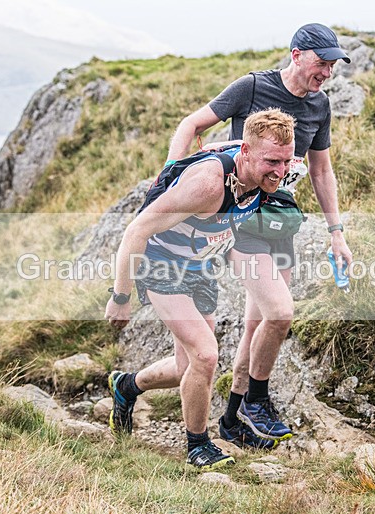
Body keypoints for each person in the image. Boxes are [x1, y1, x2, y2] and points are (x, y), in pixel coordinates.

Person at [164, 23, 355, 449]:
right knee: (280, 313)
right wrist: (170, 178)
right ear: (296, 55)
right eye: (322, 63)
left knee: (258, 326)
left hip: (280, 221)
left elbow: (321, 170)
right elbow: (191, 124)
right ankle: (256, 399)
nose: (327, 72)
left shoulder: (320, 105)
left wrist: (336, 232)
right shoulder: (252, 87)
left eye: (333, 66)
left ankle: (232, 420)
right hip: (240, 219)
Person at [105, 109, 295, 470]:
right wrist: (121, 297)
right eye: (272, 162)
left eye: (286, 162)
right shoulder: (208, 185)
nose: (280, 171)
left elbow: (270, 162)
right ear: (246, 153)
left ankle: (127, 386)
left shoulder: (265, 168)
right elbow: (137, 230)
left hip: (201, 267)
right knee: (206, 355)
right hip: (161, 265)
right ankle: (198, 445)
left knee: (186, 367)